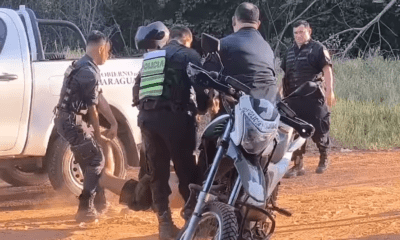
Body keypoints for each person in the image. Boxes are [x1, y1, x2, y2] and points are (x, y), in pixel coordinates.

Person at [54, 30, 118, 223]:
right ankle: (85, 208)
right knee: (97, 158)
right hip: (73, 121)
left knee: (88, 159)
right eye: (108, 50)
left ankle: (100, 201)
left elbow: (99, 98)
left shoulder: (82, 65)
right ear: (100, 48)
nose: (108, 54)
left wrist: (114, 121)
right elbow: (93, 110)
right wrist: (98, 136)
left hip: (68, 120)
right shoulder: (88, 72)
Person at [281, 20, 336, 178]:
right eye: (296, 33)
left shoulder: (318, 49)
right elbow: (285, 76)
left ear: (309, 31)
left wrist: (329, 91)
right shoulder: (289, 52)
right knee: (296, 132)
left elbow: (327, 70)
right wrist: (278, 93)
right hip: (293, 99)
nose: (298, 35)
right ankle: (298, 165)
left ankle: (324, 159)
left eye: (301, 32)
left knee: (319, 129)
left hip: (313, 98)